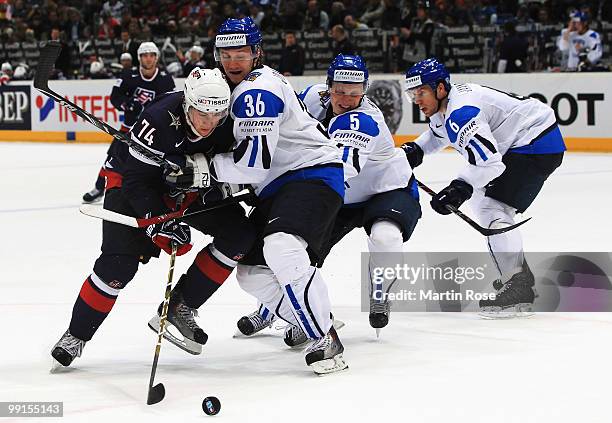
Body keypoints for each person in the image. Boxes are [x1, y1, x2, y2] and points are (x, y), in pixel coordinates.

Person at [51, 68, 257, 368]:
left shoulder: (228, 122)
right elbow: (135, 180)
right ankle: (76, 334)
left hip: (188, 189)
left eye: (217, 116)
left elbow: (236, 163)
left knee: (240, 233)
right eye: (202, 114)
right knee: (117, 265)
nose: (209, 123)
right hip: (134, 184)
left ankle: (181, 305)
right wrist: (158, 222)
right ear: (188, 104)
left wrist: (227, 185)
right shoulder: (158, 118)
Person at [238, 54, 421, 341]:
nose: (347, 99)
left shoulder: (365, 120)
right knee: (293, 253)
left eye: (354, 93)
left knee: (386, 237)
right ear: (328, 86)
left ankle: (380, 289)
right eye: (339, 91)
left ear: (365, 90)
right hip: (342, 197)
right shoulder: (312, 98)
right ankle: (278, 308)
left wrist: (270, 185)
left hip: (386, 190)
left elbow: (340, 168)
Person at [205, 17, 348, 374]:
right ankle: (312, 316)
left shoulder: (257, 91)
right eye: (226, 53)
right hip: (279, 184)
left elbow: (253, 166)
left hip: (312, 175)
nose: (232, 61)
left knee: (282, 244)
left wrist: (206, 170)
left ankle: (324, 338)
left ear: (256, 53)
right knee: (251, 271)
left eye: (240, 53)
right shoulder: (235, 85)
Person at [402, 58, 565, 318]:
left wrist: (458, 189)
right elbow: (438, 133)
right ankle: (517, 277)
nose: (417, 100)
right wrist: (415, 150)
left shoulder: (461, 112)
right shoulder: (449, 104)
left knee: (491, 207)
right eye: (412, 94)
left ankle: (518, 283)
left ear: (440, 88)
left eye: (421, 92)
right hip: (530, 139)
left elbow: (489, 164)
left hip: (535, 143)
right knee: (485, 202)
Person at [82, 42, 174, 204]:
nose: (148, 59)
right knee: (113, 157)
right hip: (129, 127)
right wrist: (127, 103)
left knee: (154, 162)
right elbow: (115, 96)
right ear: (139, 58)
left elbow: (171, 103)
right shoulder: (128, 76)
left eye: (151, 55)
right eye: (144, 55)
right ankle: (100, 187)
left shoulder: (165, 79)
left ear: (156, 57)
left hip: (152, 131)